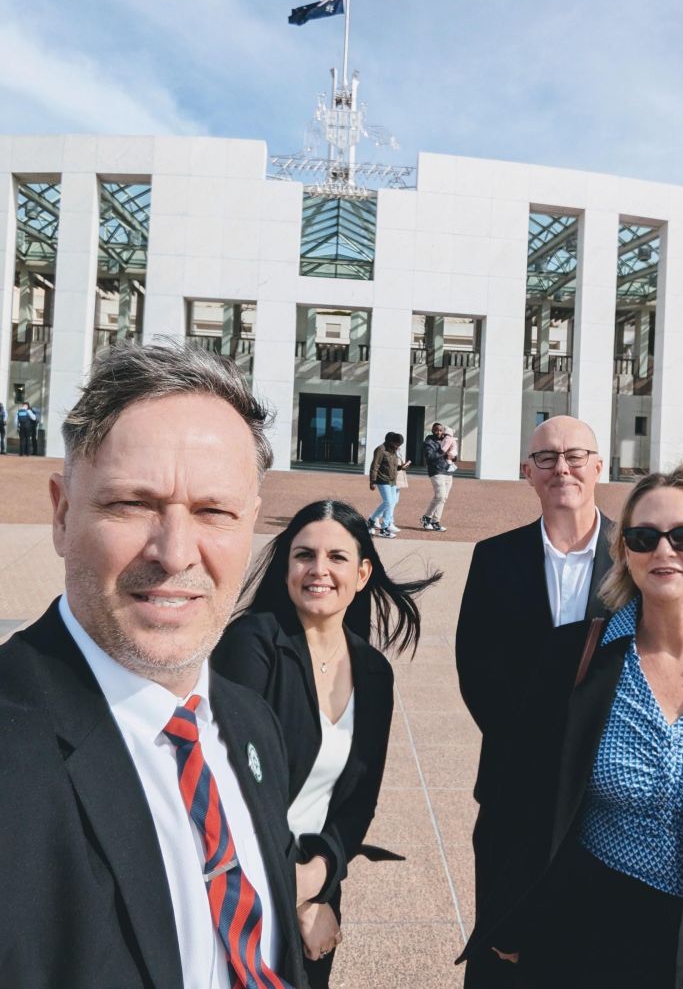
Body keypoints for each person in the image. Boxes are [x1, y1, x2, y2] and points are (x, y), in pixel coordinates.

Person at [0, 341, 306, 989]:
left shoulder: (250, 723)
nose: (174, 553)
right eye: (132, 505)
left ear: (251, 524)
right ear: (61, 514)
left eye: (213, 512)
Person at [465, 460, 683, 989]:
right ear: (625, 553)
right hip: (591, 934)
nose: (664, 551)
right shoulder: (570, 658)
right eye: (643, 538)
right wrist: (507, 917)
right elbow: (518, 799)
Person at [213, 499, 441, 988]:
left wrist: (318, 880)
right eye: (304, 555)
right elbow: (233, 786)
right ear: (286, 567)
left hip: (315, 887)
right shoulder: (252, 644)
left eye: (337, 557)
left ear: (361, 574)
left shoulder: (374, 672)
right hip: (237, 885)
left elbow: (358, 803)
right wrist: (288, 888)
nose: (319, 570)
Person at [455, 414, 613, 988]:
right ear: (527, 472)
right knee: (504, 948)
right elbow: (477, 670)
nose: (562, 468)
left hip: (609, 787)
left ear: (600, 465)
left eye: (575, 455)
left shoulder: (636, 557)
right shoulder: (495, 557)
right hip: (513, 785)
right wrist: (537, 744)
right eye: (546, 458)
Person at [367, 431, 410, 538]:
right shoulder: (380, 449)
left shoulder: (393, 451)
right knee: (388, 502)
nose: (398, 447)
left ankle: (383, 526)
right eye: (396, 444)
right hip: (382, 479)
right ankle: (374, 521)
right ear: (391, 442)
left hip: (392, 480)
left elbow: (393, 466)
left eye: (399, 445)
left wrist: (401, 467)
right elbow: (375, 466)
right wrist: (372, 481)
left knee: (391, 503)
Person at [421, 421, 456, 531]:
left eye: (441, 430)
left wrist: (452, 456)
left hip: (447, 471)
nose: (439, 432)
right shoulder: (428, 442)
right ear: (432, 430)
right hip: (436, 471)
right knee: (440, 496)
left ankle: (435, 521)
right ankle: (426, 517)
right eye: (436, 430)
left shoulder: (446, 440)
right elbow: (430, 457)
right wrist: (442, 452)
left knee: (443, 498)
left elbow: (453, 456)